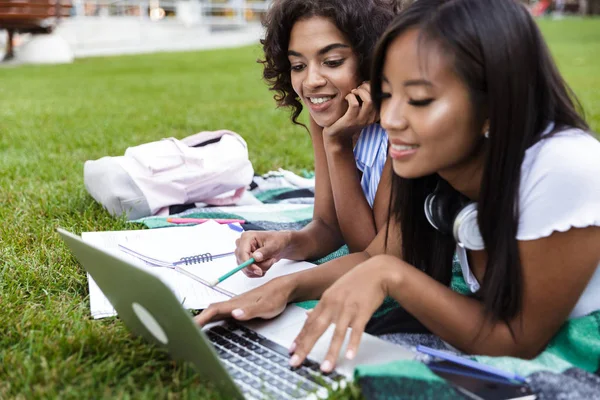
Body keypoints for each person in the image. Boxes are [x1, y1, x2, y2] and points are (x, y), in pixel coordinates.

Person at [196, 0, 600, 373]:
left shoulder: (564, 167)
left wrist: (389, 274)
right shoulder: (443, 164)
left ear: (493, 104)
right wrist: (286, 273)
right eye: (387, 94)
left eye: (420, 99)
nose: (390, 119)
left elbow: (516, 338)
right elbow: (366, 243)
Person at [238, 0, 398, 277]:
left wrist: (337, 146)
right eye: (298, 65)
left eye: (332, 62)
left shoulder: (400, 128)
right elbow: (328, 225)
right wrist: (285, 243)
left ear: (371, 57)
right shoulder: (327, 114)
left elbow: (369, 253)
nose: (311, 81)